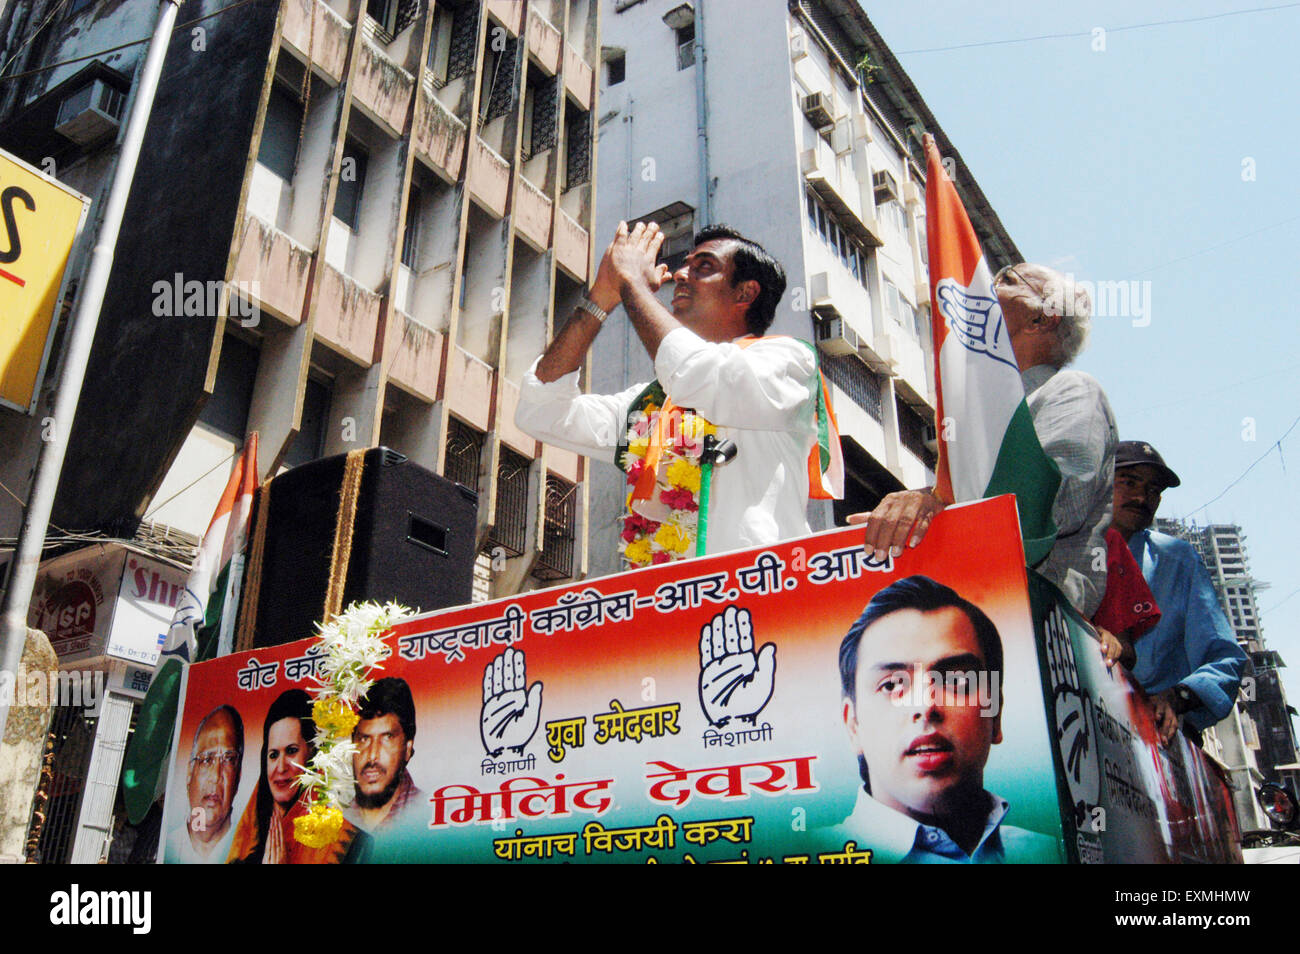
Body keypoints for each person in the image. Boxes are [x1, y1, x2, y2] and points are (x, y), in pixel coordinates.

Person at [515, 222, 835, 567]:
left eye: (704, 267)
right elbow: (542, 412)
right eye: (685, 265)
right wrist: (601, 300)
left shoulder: (787, 360)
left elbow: (703, 377)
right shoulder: (656, 405)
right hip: (672, 608)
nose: (682, 274)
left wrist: (632, 283)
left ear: (745, 293)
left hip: (765, 599)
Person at [854, 264, 1116, 617]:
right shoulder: (984, 418)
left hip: (1034, 624)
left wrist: (937, 507)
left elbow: (1043, 510)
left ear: (1043, 318)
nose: (980, 290)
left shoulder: (1069, 391)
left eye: (1005, 279)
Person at [832, 575, 1059, 863]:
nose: (926, 706)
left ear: (996, 713)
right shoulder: (801, 851)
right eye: (891, 685)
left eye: (957, 680)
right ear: (853, 725)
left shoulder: (1049, 853)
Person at [1110, 440, 1249, 744]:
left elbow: (1225, 658)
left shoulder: (1177, 561)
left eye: (1153, 490)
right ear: (1100, 482)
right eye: (1129, 482)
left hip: (1159, 743)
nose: (1141, 497)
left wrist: (1177, 696)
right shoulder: (1067, 547)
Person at [227, 688, 368, 863]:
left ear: (313, 756)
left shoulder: (349, 845)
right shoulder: (247, 850)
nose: (280, 767)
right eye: (273, 755)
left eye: (291, 751)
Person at [166, 704, 243, 863]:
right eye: (207, 760)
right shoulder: (166, 847)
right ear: (189, 773)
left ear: (239, 776)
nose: (215, 776)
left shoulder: (251, 852)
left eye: (228, 760)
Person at [348, 678, 422, 832]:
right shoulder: (337, 822)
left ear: (407, 748)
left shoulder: (428, 816)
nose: (372, 756)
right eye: (364, 739)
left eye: (387, 738)